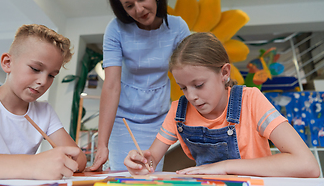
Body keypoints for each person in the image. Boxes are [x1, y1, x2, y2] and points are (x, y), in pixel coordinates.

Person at [124, 32, 320, 178]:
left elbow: (308, 165)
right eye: (183, 87)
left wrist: (226, 166)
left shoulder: (250, 100)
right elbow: (151, 162)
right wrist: (141, 165)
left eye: (199, 85)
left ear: (225, 73)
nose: (191, 96)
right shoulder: (178, 111)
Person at [89, 0, 190, 171]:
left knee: (150, 175)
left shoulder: (177, 27)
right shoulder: (116, 29)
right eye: (129, 5)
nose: (139, 9)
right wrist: (102, 144)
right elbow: (111, 86)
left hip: (160, 119)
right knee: (123, 175)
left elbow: (189, 76)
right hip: (123, 120)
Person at [0, 24, 87, 180]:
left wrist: (67, 160)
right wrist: (32, 165)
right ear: (7, 63)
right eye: (35, 69)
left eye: (51, 75)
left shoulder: (44, 112)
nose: (43, 81)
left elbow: (79, 159)